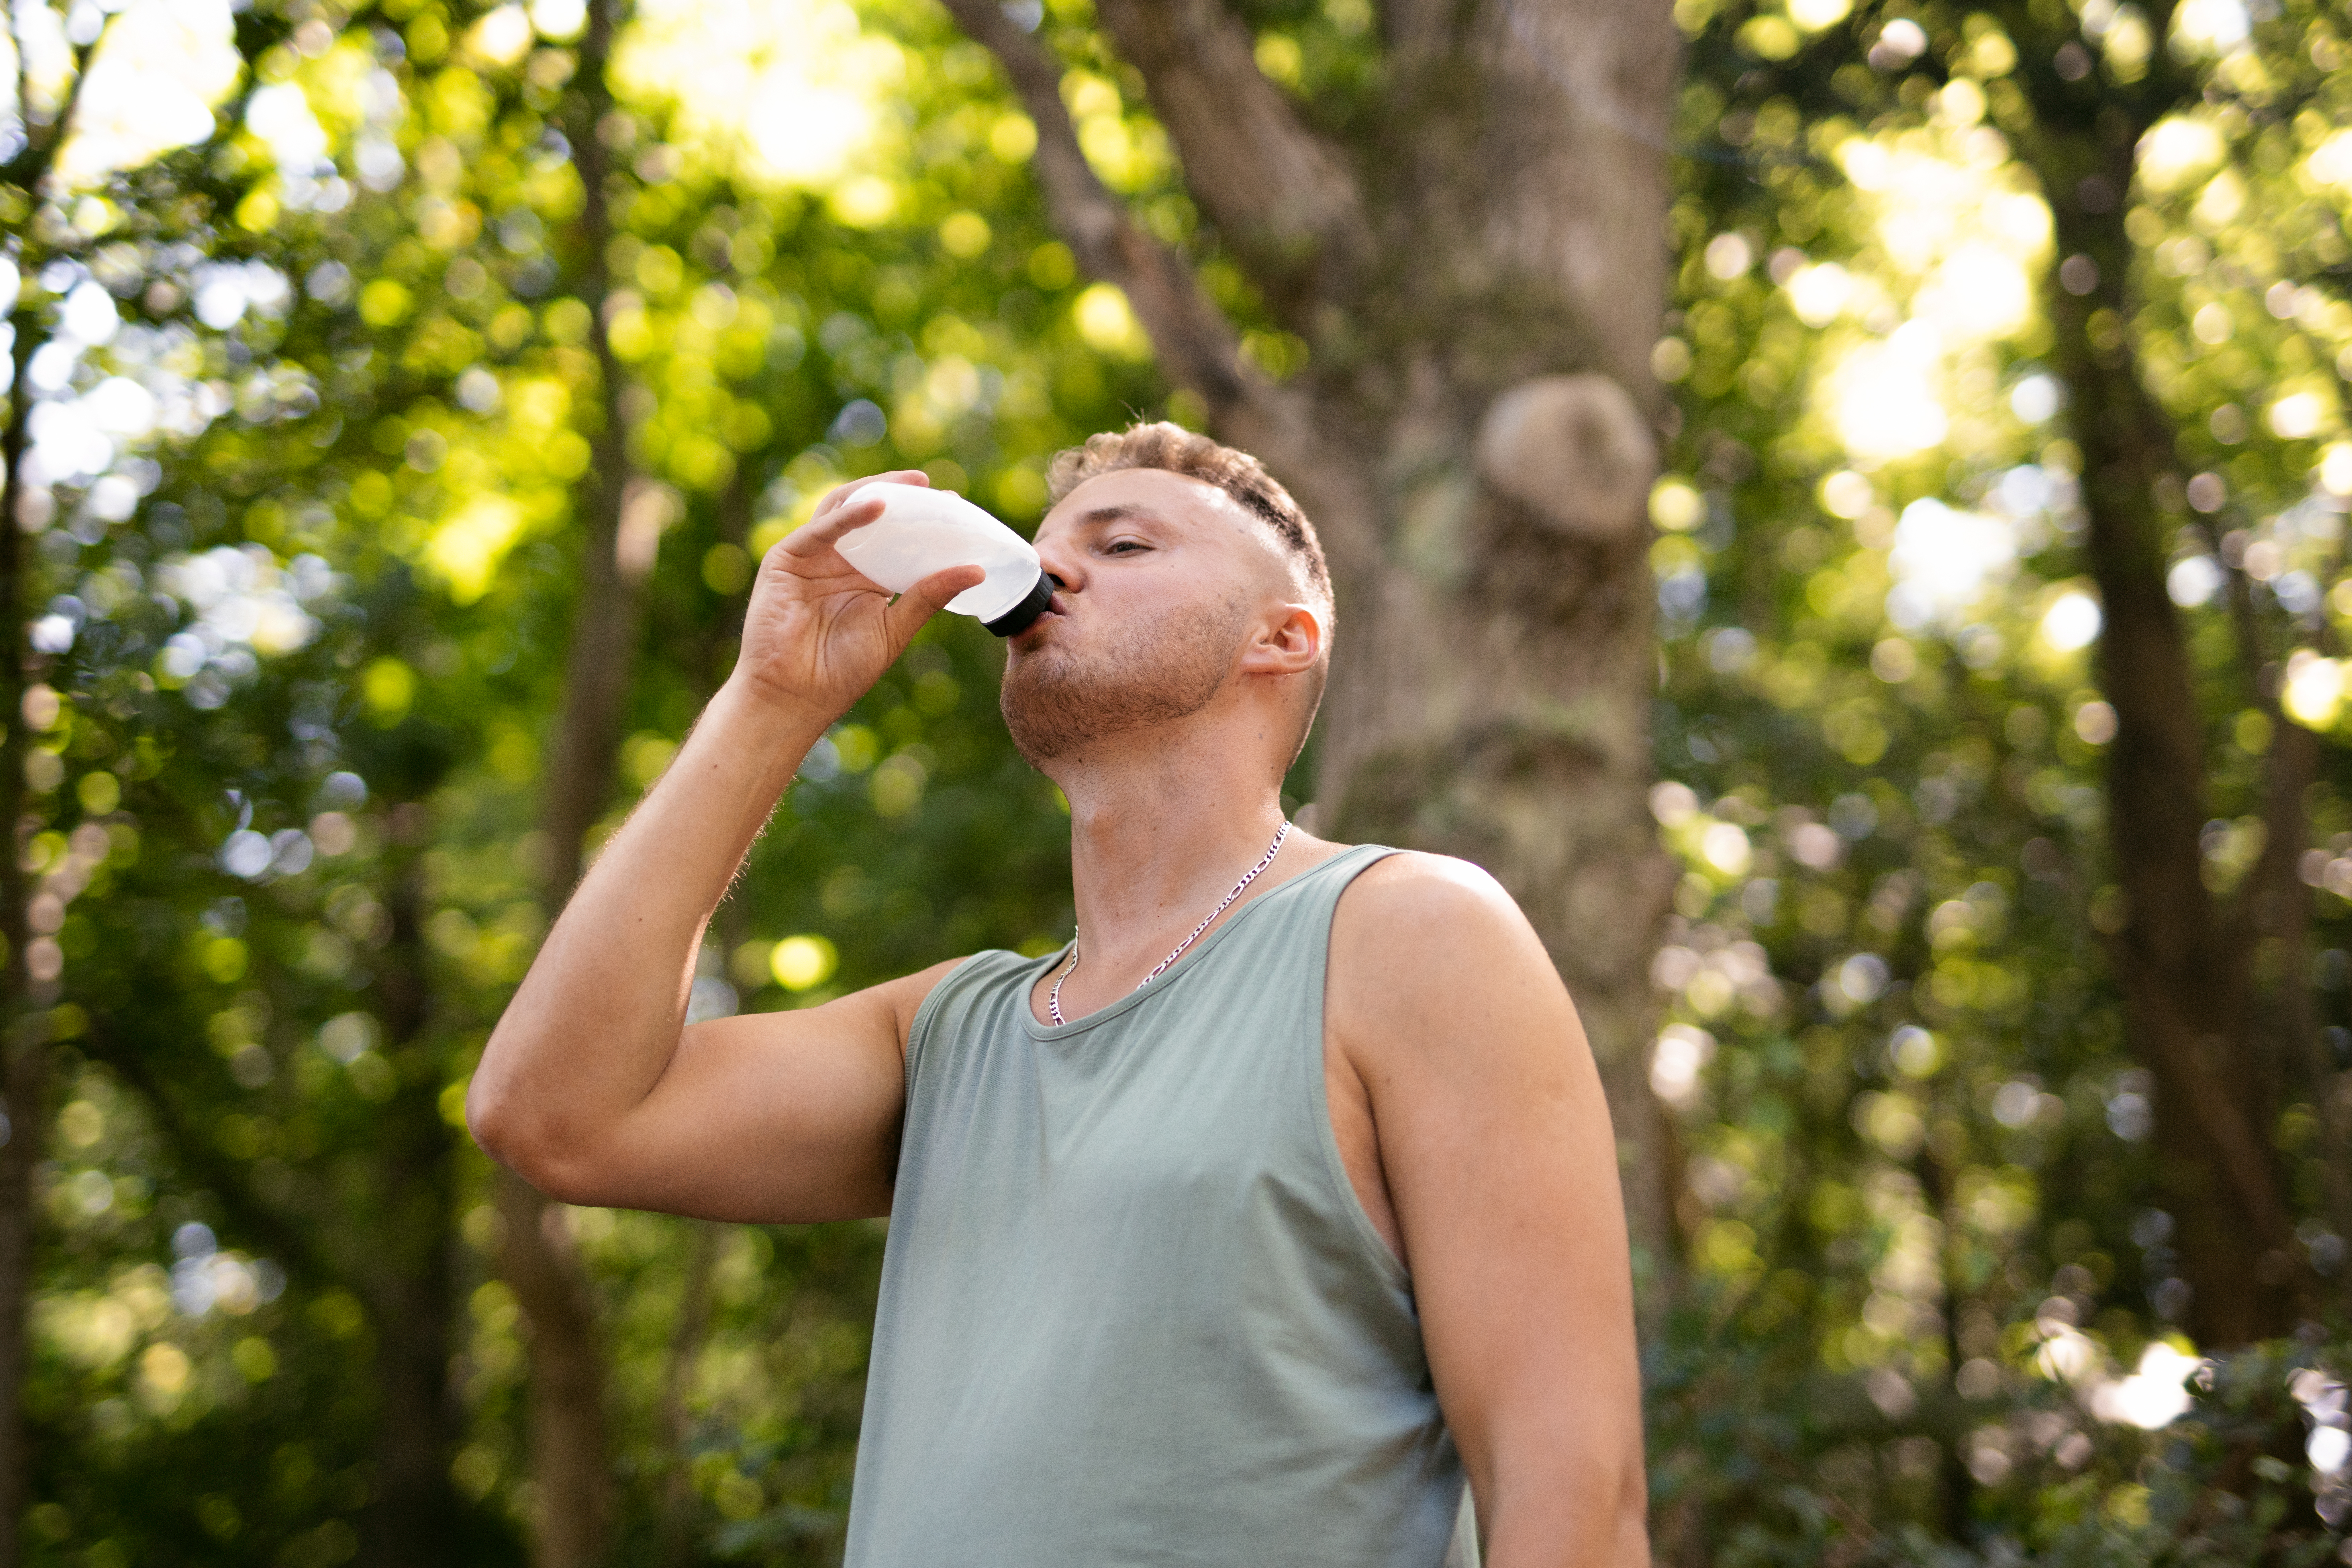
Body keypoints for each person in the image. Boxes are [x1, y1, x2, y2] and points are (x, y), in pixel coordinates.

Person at [469, 423, 1649, 1567]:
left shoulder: (1411, 933)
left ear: (1281, 640)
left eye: (1126, 546)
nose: (1045, 568)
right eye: (1046, 543)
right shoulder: (945, 1034)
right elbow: (557, 1118)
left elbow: (1575, 1500)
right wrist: (773, 698)